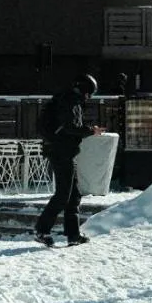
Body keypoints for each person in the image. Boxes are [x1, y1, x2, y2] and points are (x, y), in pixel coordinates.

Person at [34, 74, 103, 247]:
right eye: (89, 93)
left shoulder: (66, 99)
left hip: (63, 150)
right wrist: (90, 130)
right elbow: (70, 127)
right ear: (85, 91)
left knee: (73, 194)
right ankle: (42, 230)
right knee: (64, 194)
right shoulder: (70, 101)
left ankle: (73, 235)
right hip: (61, 151)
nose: (89, 97)